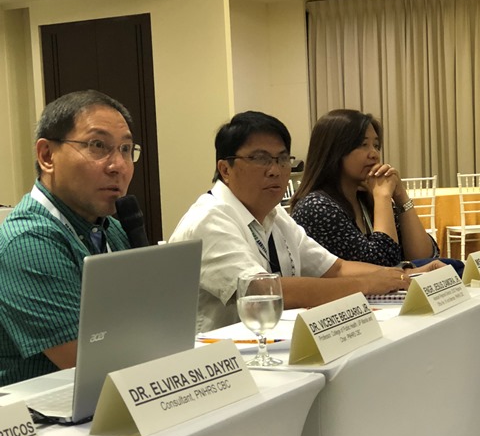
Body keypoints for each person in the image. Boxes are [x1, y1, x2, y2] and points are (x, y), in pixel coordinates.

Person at [169, 110, 442, 333]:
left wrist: (405, 275)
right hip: (217, 362)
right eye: (260, 159)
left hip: (267, 344)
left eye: (282, 159)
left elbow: (335, 269)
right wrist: (370, 284)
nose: (275, 170)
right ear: (225, 169)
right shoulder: (210, 218)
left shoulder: (275, 215)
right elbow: (262, 291)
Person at [0, 89, 141, 385]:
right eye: (98, 145)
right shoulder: (28, 241)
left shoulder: (111, 228)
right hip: (42, 410)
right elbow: (90, 364)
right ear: (47, 156)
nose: (118, 165)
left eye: (126, 149)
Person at [291, 109, 446, 269]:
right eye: (363, 145)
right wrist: (383, 197)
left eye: (376, 146)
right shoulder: (316, 207)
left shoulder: (364, 199)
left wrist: (401, 197)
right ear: (334, 150)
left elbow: (424, 257)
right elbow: (382, 266)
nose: (374, 154)